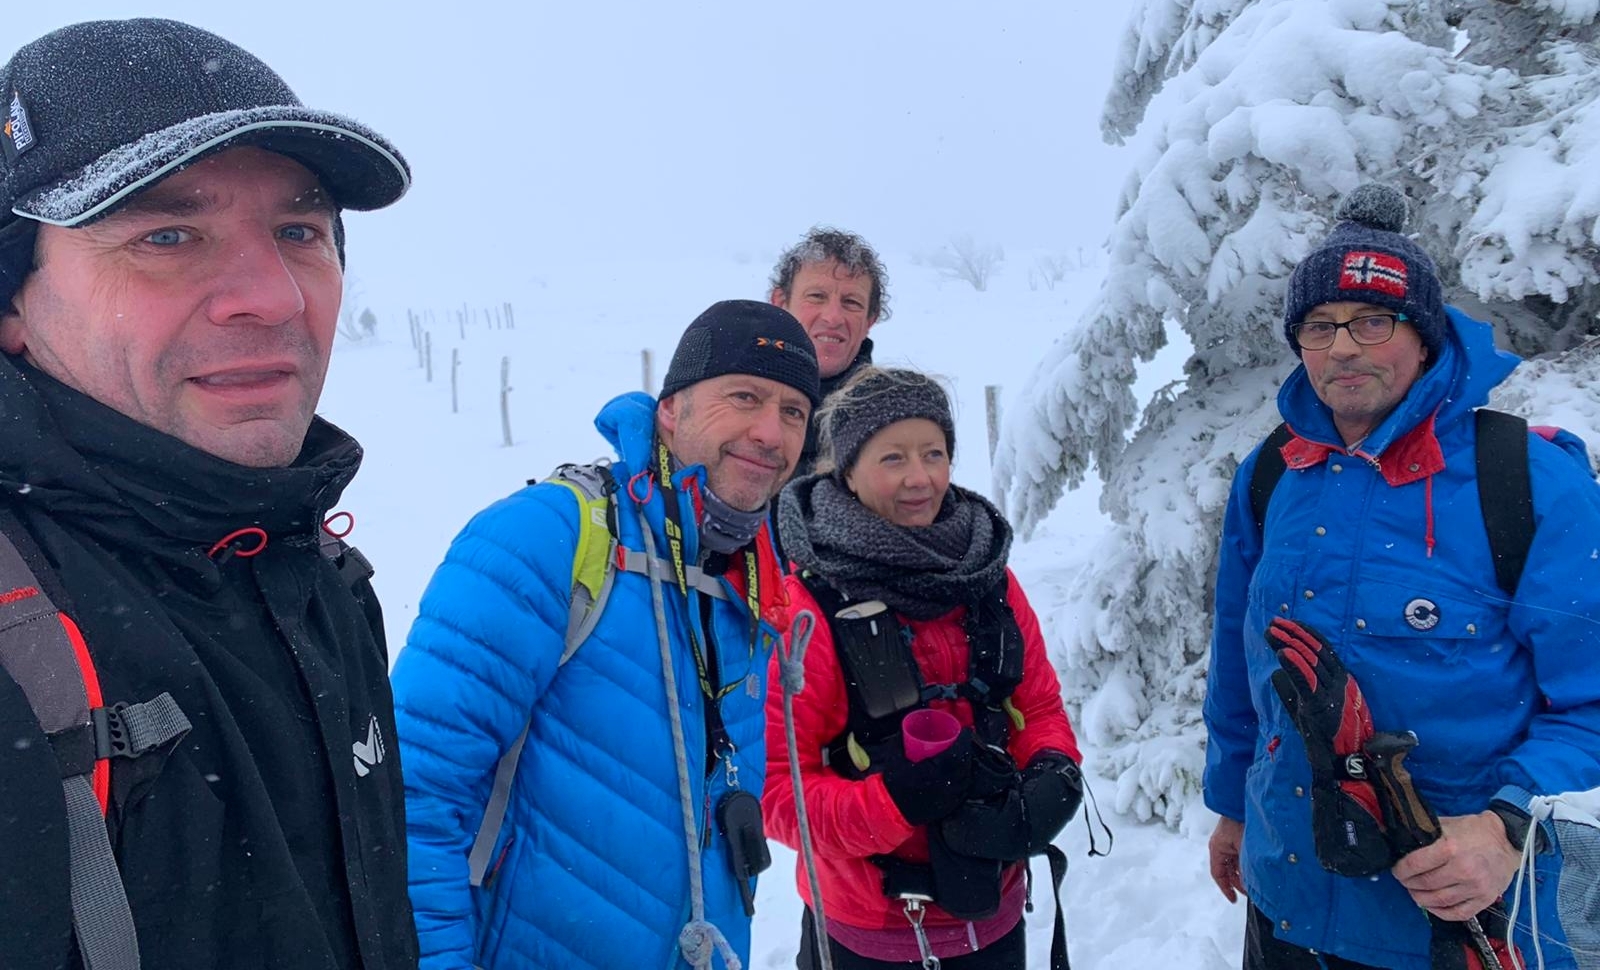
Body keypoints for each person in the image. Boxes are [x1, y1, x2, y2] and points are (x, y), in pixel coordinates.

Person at [0, 18, 416, 970]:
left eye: (299, 231)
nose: (274, 296)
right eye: (168, 235)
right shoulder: (20, 640)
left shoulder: (324, 581)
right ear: (12, 300)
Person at [1203, 184, 1600, 970]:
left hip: (1459, 927)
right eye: (1320, 326)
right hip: (1288, 906)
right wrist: (1232, 806)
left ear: (1423, 337)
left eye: (1372, 321)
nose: (1343, 347)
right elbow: (1238, 660)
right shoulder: (1273, 473)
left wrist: (1504, 828)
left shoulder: (1527, 483)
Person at [393, 300, 820, 970]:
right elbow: (416, 792)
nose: (770, 432)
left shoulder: (754, 580)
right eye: (745, 396)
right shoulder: (550, 535)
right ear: (671, 409)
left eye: (794, 412)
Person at [765, 367, 1083, 970]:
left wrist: (1052, 771)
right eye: (893, 458)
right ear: (848, 471)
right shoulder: (809, 609)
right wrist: (894, 804)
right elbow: (780, 790)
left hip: (992, 913)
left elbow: (1038, 707)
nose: (920, 478)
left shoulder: (988, 578)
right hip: (866, 933)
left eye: (933, 453)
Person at [768, 227, 891, 475]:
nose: (833, 317)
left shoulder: (890, 416)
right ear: (781, 303)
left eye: (851, 302)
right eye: (816, 296)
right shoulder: (733, 396)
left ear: (870, 320)